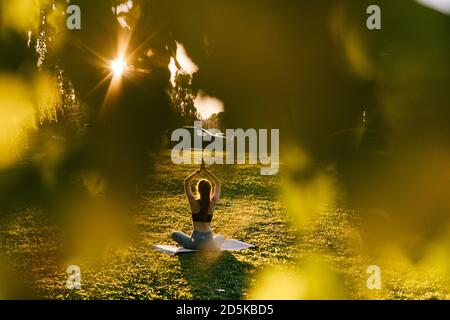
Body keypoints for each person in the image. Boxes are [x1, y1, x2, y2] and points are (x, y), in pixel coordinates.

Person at [171, 162, 224, 250]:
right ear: (210, 190)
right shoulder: (213, 202)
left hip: (195, 241)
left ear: (198, 190)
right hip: (209, 240)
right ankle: (209, 246)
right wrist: (206, 171)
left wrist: (198, 171)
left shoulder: (193, 202)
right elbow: (217, 183)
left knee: (175, 234)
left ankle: (198, 245)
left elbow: (186, 182)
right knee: (221, 237)